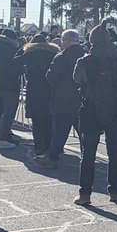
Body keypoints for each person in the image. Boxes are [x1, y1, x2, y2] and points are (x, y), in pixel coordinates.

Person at [72, 24, 117, 206]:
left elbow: (76, 78)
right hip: (115, 110)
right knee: (114, 152)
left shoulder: (84, 60)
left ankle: (85, 194)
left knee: (88, 153)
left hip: (90, 110)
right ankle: (114, 191)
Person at [36, 30, 85, 169]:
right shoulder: (86, 56)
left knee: (60, 130)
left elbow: (50, 77)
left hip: (63, 97)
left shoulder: (61, 57)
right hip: (82, 98)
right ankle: (87, 155)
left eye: (63, 40)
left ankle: (52, 156)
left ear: (68, 41)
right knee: (82, 130)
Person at [13, 33, 58, 158]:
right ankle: (48, 147)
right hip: (49, 88)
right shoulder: (53, 53)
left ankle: (39, 148)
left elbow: (15, 60)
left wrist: (23, 48)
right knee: (48, 120)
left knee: (36, 120)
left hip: (34, 89)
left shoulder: (30, 54)